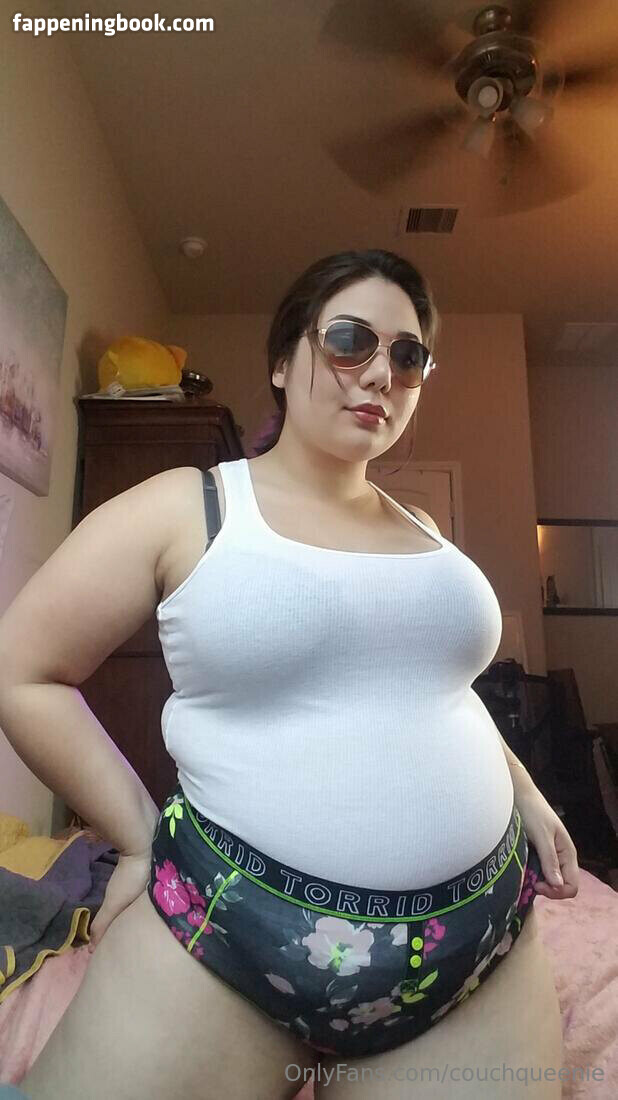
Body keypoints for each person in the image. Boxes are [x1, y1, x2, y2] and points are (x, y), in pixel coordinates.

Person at [0, 250, 578, 1099]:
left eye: (408, 355)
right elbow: (23, 669)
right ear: (282, 360)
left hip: (476, 945)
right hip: (230, 936)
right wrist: (136, 836)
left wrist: (523, 787)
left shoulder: (425, 526)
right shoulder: (190, 506)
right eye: (349, 340)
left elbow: (438, 690)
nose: (380, 372)